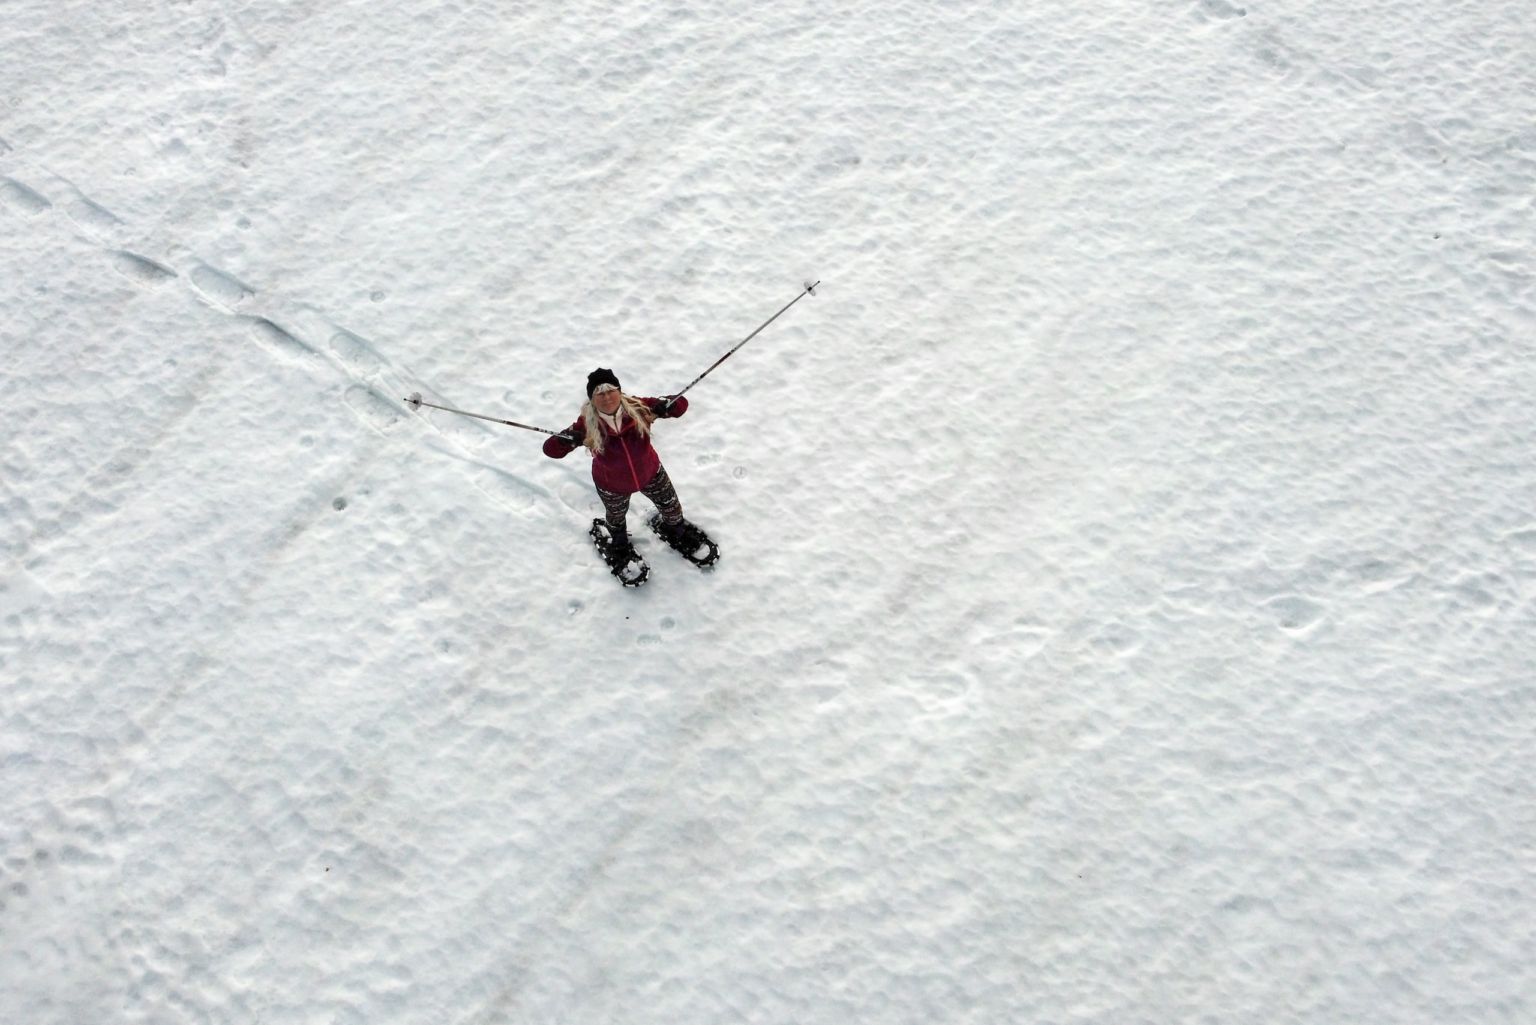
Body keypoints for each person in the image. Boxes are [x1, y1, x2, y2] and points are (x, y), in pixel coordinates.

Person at [542, 367, 704, 563]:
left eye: (611, 390)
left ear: (619, 392)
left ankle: (676, 529)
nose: (607, 397)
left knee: (672, 507)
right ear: (592, 399)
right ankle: (619, 542)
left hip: (651, 472)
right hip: (612, 485)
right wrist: (564, 441)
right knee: (616, 517)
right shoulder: (585, 425)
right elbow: (550, 450)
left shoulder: (640, 407)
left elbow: (681, 405)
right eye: (599, 393)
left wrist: (668, 406)